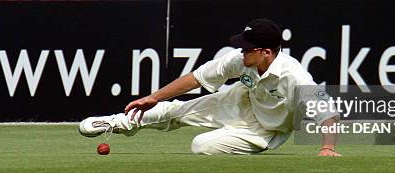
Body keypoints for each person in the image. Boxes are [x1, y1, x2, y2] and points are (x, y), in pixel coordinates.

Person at [79, 19, 340, 156]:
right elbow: (196, 78)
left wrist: (327, 147)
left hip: (266, 130)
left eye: (247, 48)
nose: (241, 51)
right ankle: (118, 123)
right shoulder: (241, 60)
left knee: (200, 146)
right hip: (243, 101)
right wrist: (153, 97)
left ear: (265, 52)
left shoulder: (294, 75)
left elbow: (328, 112)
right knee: (178, 111)